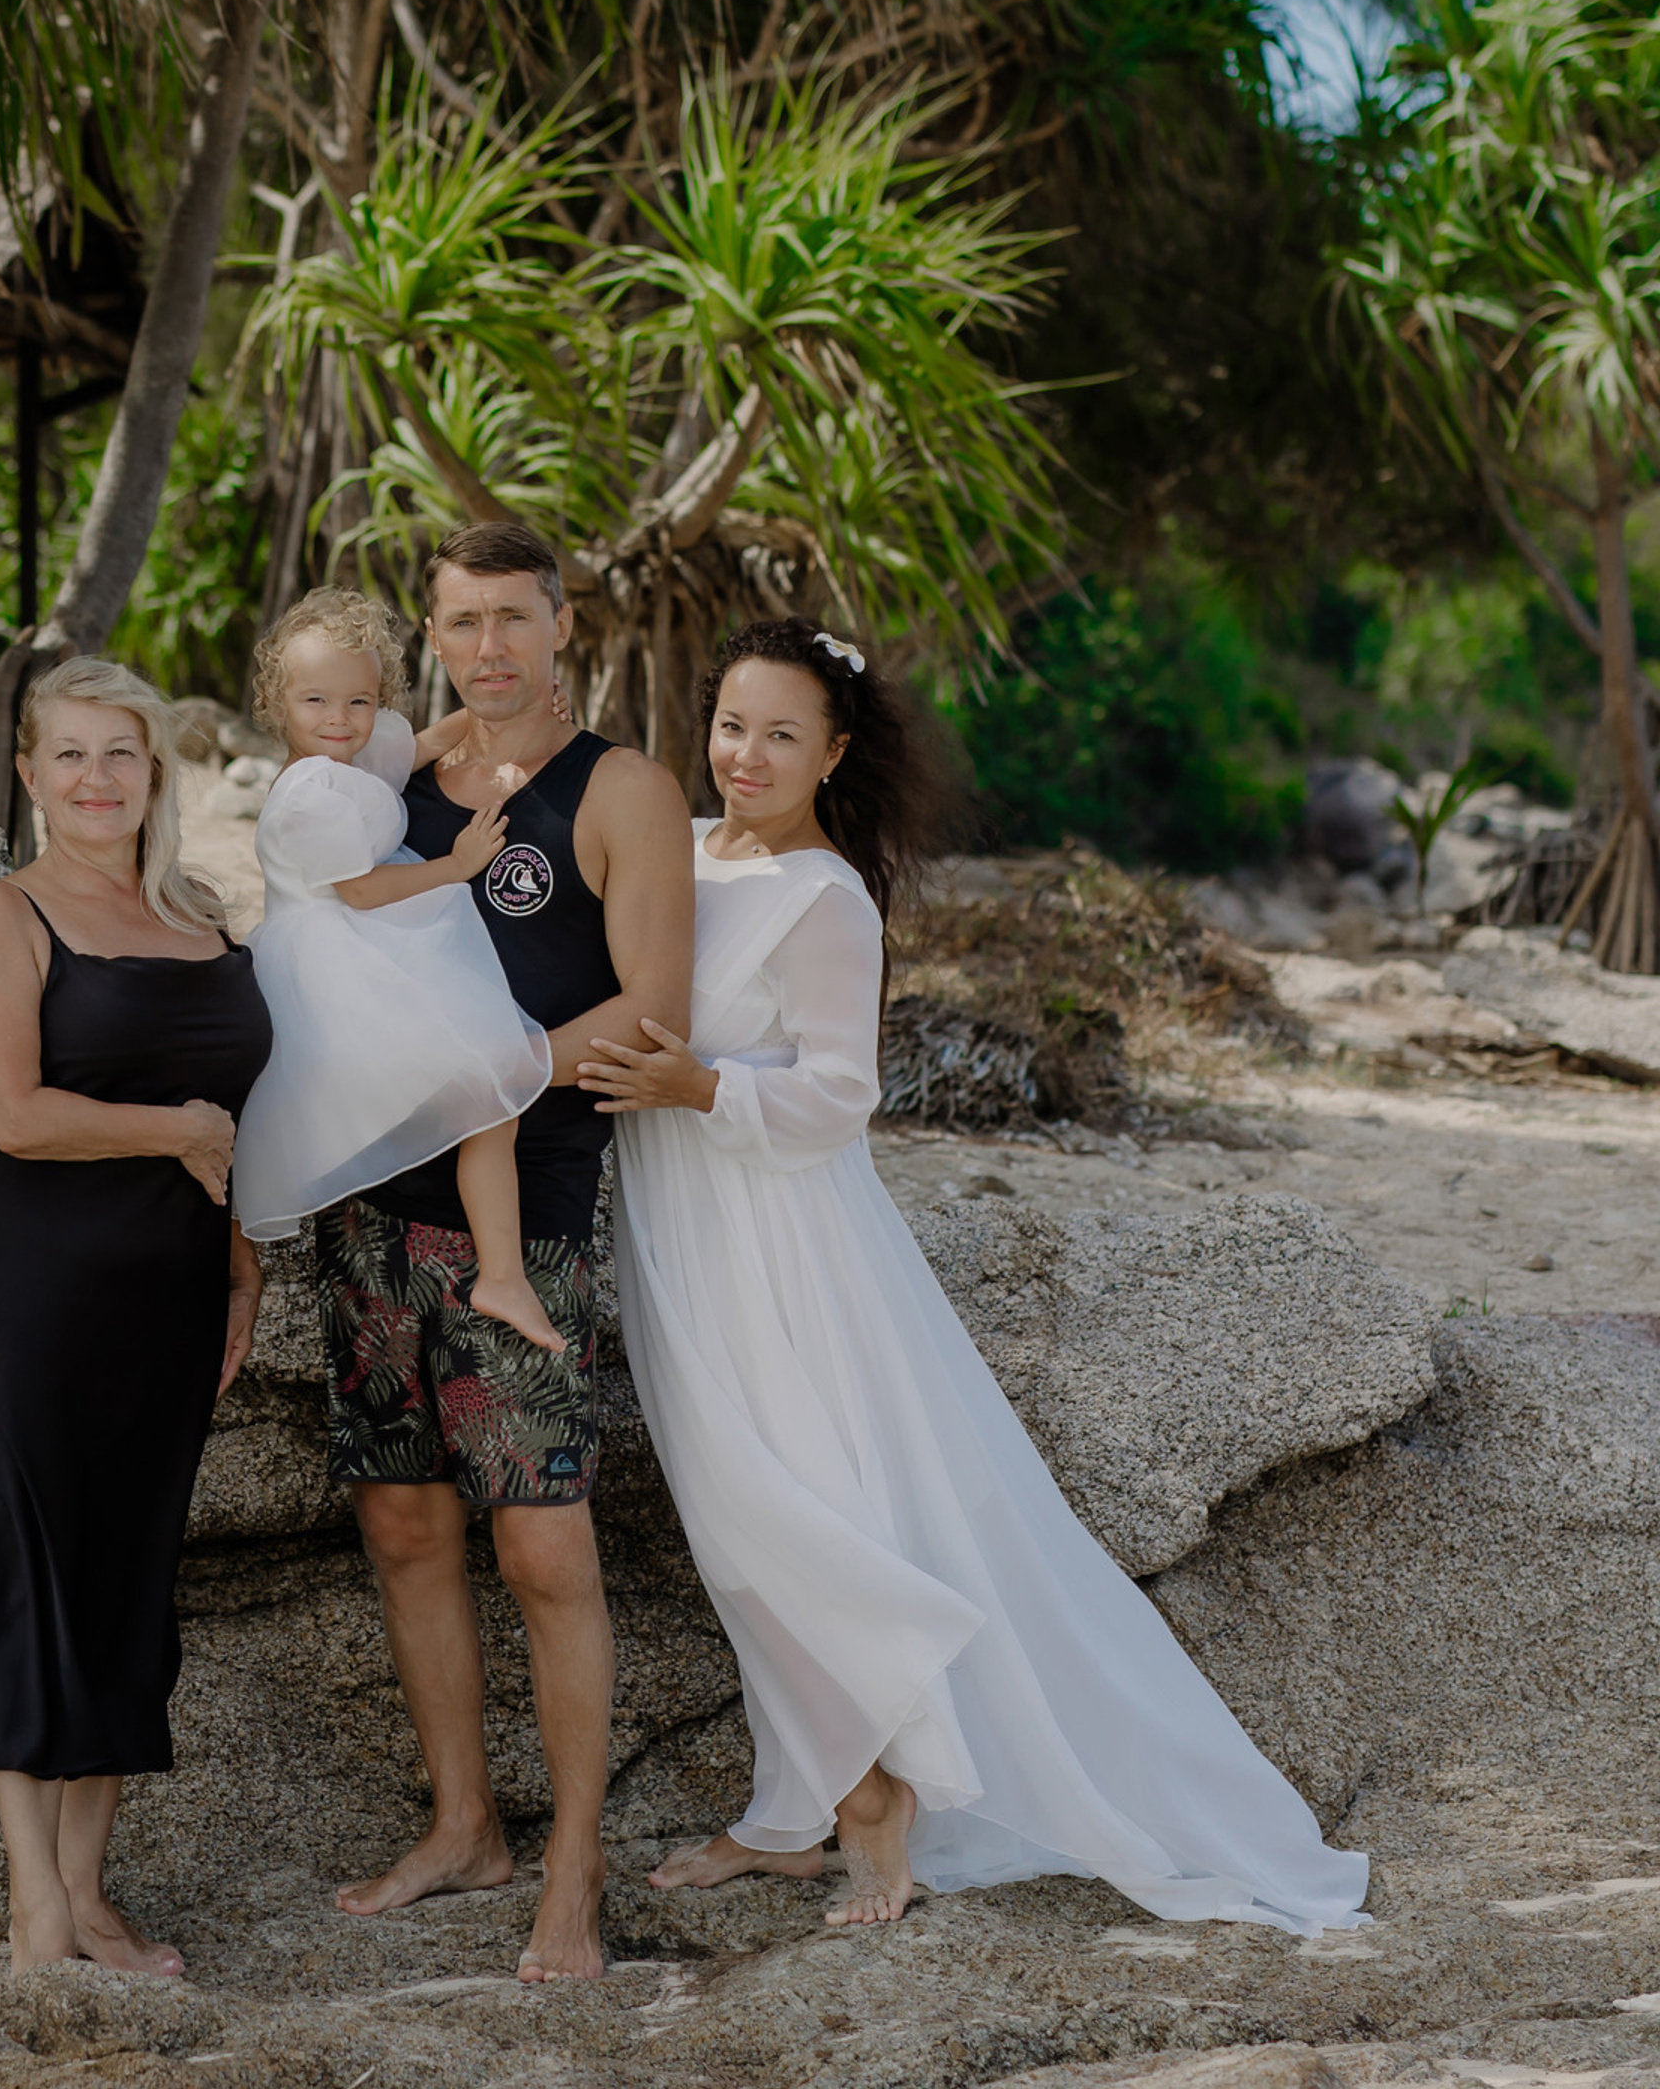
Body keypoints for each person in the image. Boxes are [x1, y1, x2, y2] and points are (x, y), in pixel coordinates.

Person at [579, 618, 1371, 1936]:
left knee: (791, 1518)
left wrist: (698, 1082)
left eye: (782, 735)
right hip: (676, 1223)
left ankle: (883, 1797)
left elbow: (843, 1095)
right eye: (730, 726)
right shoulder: (691, 854)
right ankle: (800, 1807)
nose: (747, 756)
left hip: (777, 1237)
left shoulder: (826, 899)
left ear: (833, 752)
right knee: (734, 1527)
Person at [316, 522, 697, 1982]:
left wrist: (494, 1067)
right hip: (374, 1207)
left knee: (545, 1549)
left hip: (525, 1220)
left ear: (561, 627)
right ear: (436, 636)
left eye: (514, 621)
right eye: (464, 623)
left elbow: (656, 1009)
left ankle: (574, 1875)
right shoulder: (398, 788)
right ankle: (465, 1827)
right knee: (406, 1526)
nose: (490, 649)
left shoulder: (623, 790)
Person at [0, 655, 274, 1976]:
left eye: (121, 754)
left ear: (158, 771)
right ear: (28, 773)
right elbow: (15, 1114)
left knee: (133, 1588)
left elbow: (250, 1118)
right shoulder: (5, 914)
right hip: (34, 1287)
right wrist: (177, 1128)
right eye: (70, 755)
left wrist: (243, 1261)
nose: (97, 780)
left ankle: (88, 1894)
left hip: (176, 1288)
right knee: (43, 1580)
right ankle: (33, 1914)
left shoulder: (203, 914)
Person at [232, 585, 563, 1351]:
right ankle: (501, 1274)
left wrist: (524, 705)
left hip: (380, 947)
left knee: (490, 1097)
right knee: (487, 1085)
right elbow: (360, 888)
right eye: (317, 701)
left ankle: (499, 1273)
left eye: (359, 700)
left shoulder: (349, 750)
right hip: (342, 963)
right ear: (277, 702)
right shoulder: (309, 792)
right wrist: (457, 865)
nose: (341, 720)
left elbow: (421, 744)